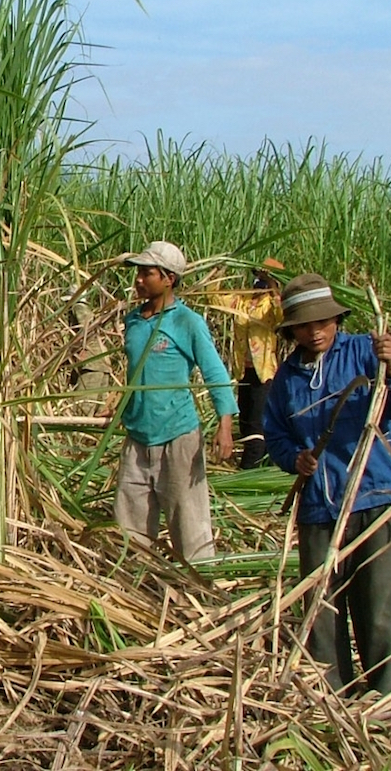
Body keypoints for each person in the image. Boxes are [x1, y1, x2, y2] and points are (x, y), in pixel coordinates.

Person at [263, 273, 391, 695]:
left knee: (376, 609)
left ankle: (384, 695)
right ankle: (331, 695)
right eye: (304, 325)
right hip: (320, 506)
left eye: (323, 323)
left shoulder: (363, 354)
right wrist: (293, 459)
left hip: (373, 497)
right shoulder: (286, 379)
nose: (315, 332)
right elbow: (276, 434)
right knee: (321, 610)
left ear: (337, 321)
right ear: (292, 330)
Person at [115, 240, 238, 562]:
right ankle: (135, 591)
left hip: (178, 435)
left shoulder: (187, 322)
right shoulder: (133, 321)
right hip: (137, 436)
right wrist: (119, 404)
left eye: (147, 273)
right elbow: (136, 372)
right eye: (138, 273)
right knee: (130, 529)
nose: (138, 280)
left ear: (169, 278)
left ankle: (201, 590)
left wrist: (225, 426)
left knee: (189, 525)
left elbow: (215, 373)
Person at [208, 259, 284, 468]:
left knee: (256, 426)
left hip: (264, 373)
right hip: (244, 370)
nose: (259, 281)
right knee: (245, 422)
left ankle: (249, 470)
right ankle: (265, 465)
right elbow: (213, 296)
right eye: (258, 276)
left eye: (265, 278)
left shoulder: (271, 304)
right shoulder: (242, 300)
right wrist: (218, 270)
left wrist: (274, 288)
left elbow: (281, 316)